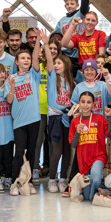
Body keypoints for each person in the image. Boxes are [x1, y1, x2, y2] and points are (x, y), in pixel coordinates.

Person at [7, 41, 43, 195]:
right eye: (23, 58)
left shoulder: (33, 75)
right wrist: (13, 87)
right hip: (19, 122)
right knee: (19, 152)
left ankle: (27, 182)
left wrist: (39, 44)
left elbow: (36, 60)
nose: (26, 60)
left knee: (32, 153)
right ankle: (15, 182)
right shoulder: (11, 78)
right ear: (16, 62)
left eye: (28, 58)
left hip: (34, 120)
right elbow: (9, 100)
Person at [44, 43, 75, 194]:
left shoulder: (72, 82)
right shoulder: (52, 78)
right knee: (56, 150)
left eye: (59, 63)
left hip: (68, 117)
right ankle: (51, 179)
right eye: (54, 63)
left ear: (66, 65)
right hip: (55, 117)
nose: (55, 65)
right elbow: (49, 62)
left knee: (67, 150)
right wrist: (45, 45)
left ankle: (63, 179)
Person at [68, 91, 109, 201]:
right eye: (83, 102)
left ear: (93, 105)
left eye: (88, 102)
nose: (85, 105)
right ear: (79, 103)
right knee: (86, 196)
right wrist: (77, 132)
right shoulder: (75, 122)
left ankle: (95, 194)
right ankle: (102, 188)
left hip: (98, 156)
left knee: (95, 178)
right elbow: (73, 144)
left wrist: (109, 118)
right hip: (83, 160)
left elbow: (109, 134)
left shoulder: (100, 118)